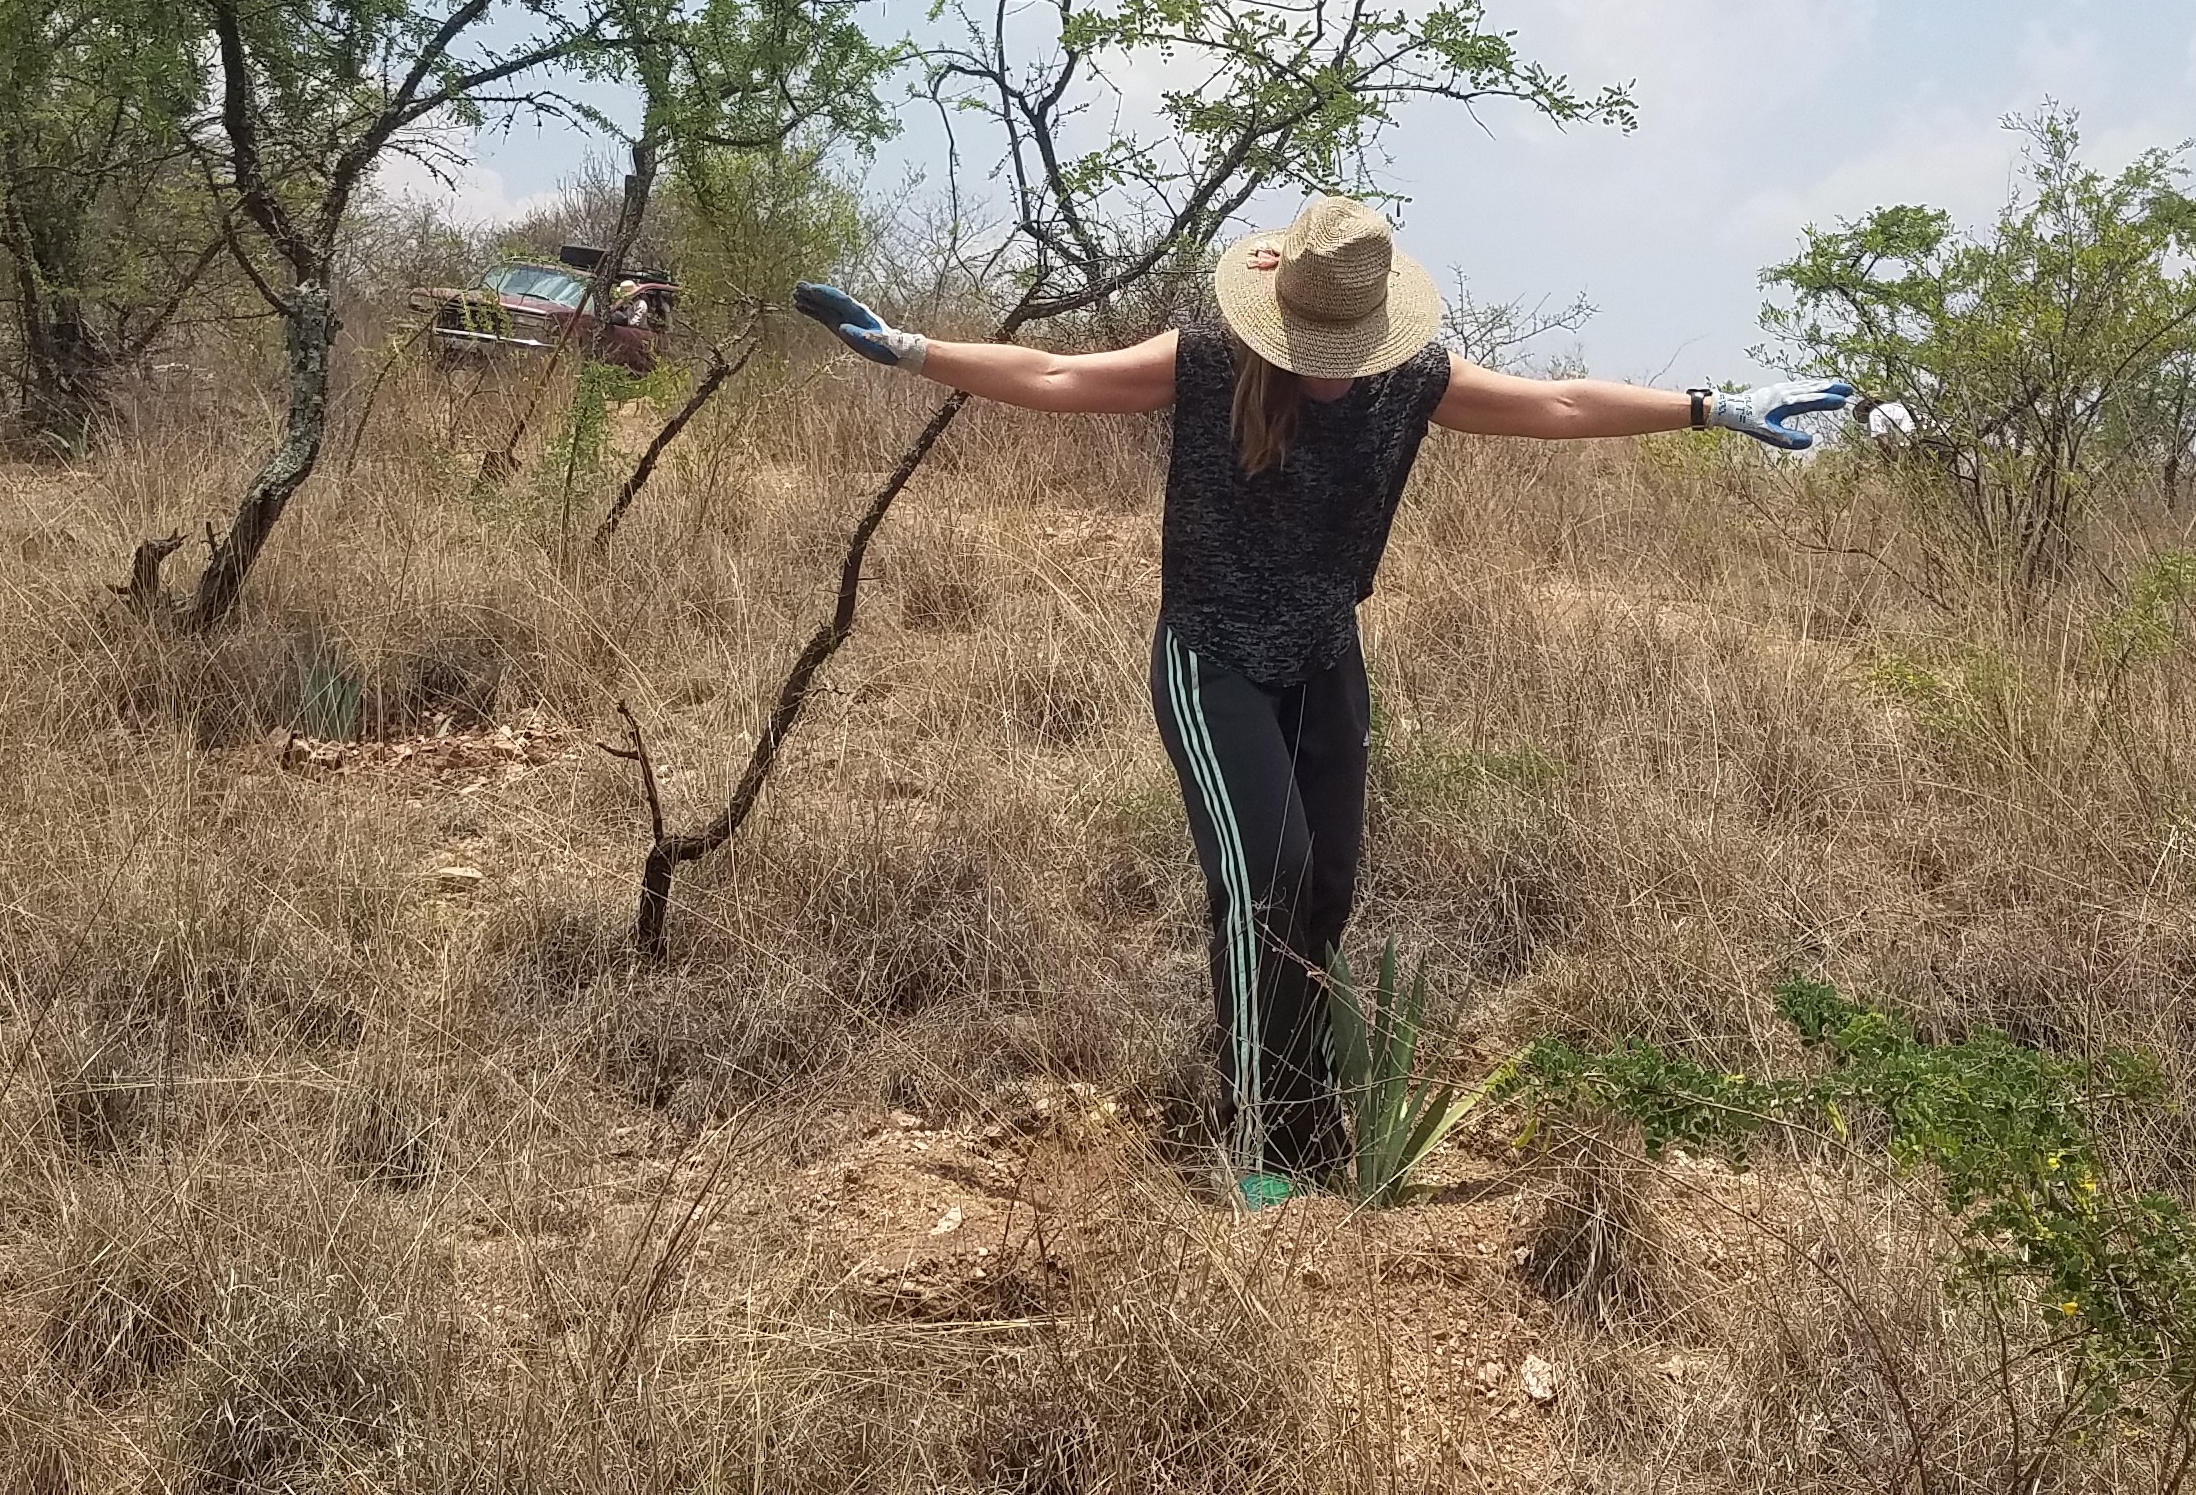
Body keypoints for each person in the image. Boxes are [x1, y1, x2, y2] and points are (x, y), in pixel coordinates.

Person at [793, 196, 1850, 1205]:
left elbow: (1559, 402)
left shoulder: (1410, 380)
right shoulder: (1207, 363)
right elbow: (1061, 374)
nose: (1335, 371)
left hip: (1323, 655)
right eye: (1316, 349)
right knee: (1268, 881)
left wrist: (1712, 408)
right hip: (1212, 660)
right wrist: (914, 350)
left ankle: (1312, 1126)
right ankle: (1257, 1144)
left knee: (1325, 893)